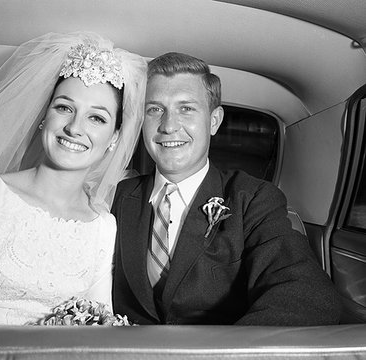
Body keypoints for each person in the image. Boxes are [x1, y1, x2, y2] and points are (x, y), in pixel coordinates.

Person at [0, 32, 147, 325]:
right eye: (64, 107)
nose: (75, 128)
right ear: (44, 117)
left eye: (96, 118)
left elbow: (98, 324)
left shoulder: (103, 226)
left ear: (114, 138)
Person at [111, 52, 342, 325]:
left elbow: (306, 294)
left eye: (186, 108)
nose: (168, 125)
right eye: (155, 109)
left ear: (214, 121)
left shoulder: (253, 199)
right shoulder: (116, 196)